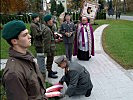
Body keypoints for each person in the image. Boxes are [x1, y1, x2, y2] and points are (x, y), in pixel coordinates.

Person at [2, 20, 47, 100]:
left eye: (28, 33)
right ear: (14, 41)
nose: (30, 36)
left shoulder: (27, 58)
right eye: (25, 35)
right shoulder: (13, 73)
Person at [43, 14, 59, 78]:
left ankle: (50, 70)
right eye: (51, 20)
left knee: (50, 60)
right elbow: (47, 42)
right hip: (50, 49)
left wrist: (55, 40)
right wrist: (48, 51)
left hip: (51, 48)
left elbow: (51, 39)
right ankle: (50, 73)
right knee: (49, 61)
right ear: (47, 22)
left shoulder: (49, 28)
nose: (52, 21)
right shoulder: (47, 30)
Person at [30, 13, 46, 77]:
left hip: (41, 43)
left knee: (42, 56)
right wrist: (42, 32)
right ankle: (41, 71)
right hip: (38, 44)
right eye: (37, 17)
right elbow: (36, 35)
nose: (38, 18)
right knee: (40, 57)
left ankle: (42, 68)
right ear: (34, 19)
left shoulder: (38, 24)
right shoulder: (33, 26)